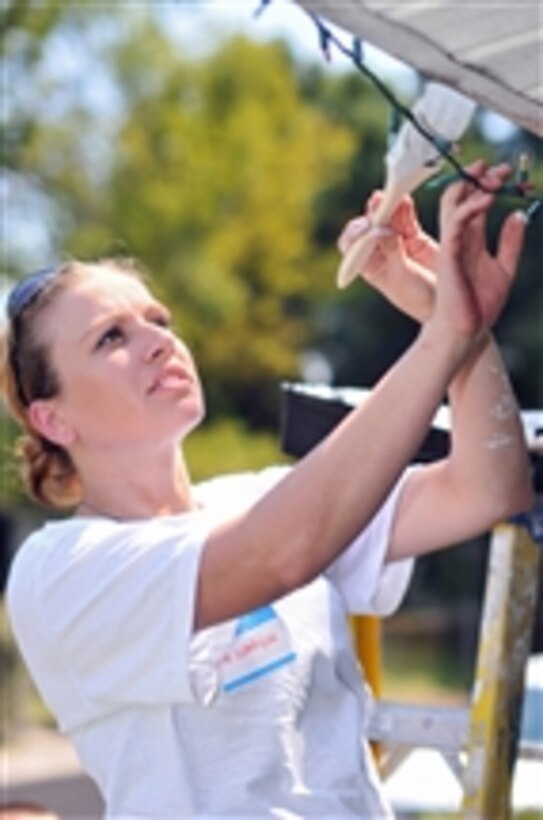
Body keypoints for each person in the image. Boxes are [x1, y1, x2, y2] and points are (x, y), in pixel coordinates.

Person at [2, 160, 533, 819]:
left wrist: (463, 330)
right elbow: (280, 552)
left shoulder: (261, 499)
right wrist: (442, 335)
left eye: (157, 320)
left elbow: (488, 487)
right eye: (111, 337)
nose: (158, 343)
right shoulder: (60, 570)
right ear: (52, 419)